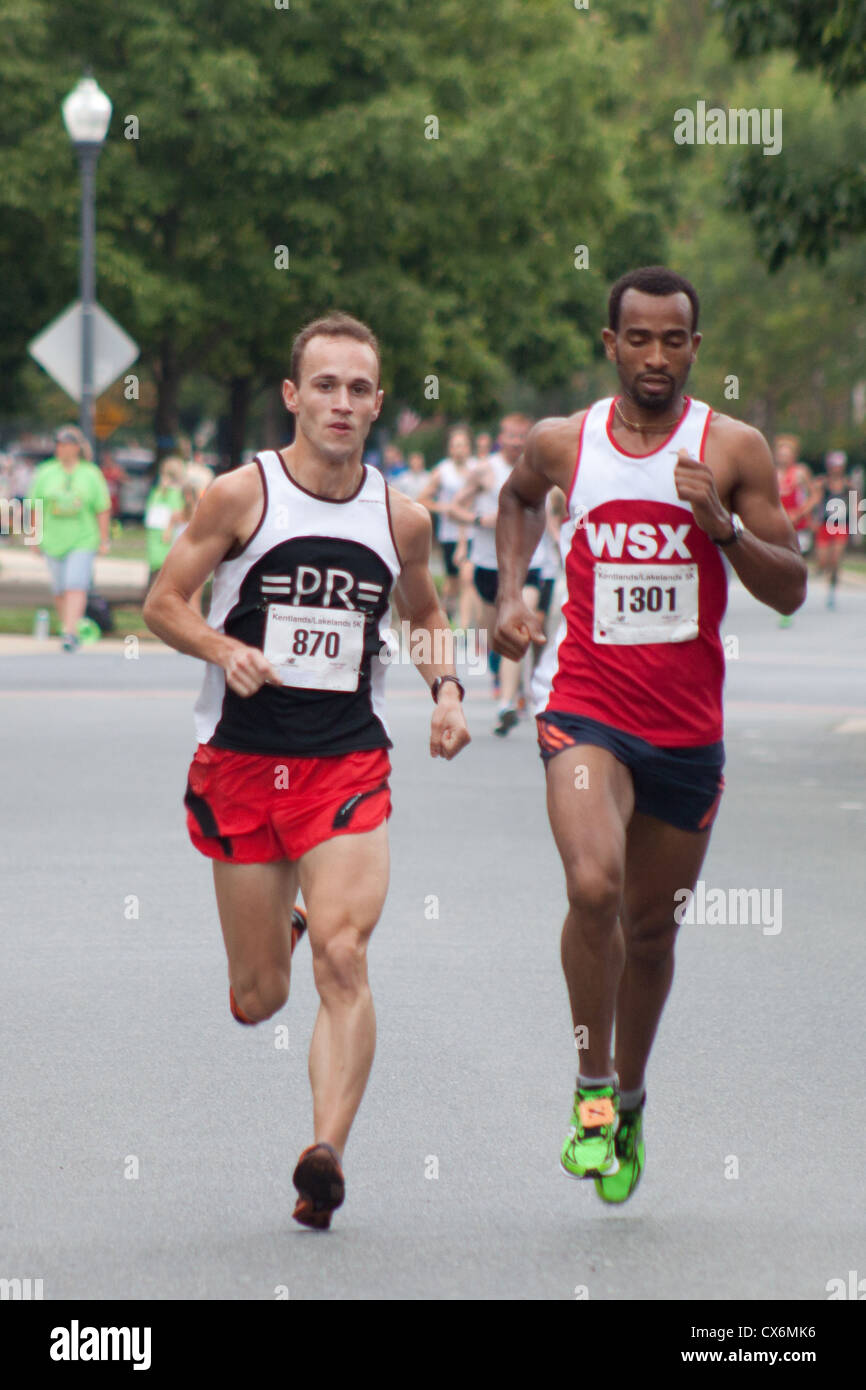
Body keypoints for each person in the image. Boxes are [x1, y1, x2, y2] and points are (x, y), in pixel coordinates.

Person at [143, 312, 470, 1230]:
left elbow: (428, 611)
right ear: (293, 395)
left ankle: (324, 1154)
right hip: (243, 764)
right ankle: (279, 932)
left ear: (377, 403)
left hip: (345, 765)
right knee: (260, 997)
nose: (342, 402)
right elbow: (162, 604)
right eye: (324, 385)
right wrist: (221, 645)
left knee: (347, 954)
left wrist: (446, 689)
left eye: (359, 388)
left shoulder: (399, 516)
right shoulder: (238, 497)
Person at [494, 266, 806, 1204]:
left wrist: (721, 528)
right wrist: (510, 596)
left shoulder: (733, 448)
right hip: (585, 704)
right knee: (594, 886)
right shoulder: (565, 443)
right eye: (640, 338)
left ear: (696, 349)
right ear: (611, 344)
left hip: (685, 730)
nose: (657, 356)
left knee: (651, 933)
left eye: (675, 340)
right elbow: (513, 502)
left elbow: (789, 586)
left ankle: (630, 1097)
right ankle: (591, 1091)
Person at [451, 414, 542, 732]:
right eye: (512, 436)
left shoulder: (540, 468)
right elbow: (453, 508)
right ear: (501, 437)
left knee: (517, 625)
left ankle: (505, 703)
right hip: (489, 565)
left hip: (528, 564)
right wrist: (479, 520)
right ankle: (511, 684)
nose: (518, 442)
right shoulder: (484, 470)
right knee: (496, 639)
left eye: (523, 437)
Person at [28, 425, 111, 651]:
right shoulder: (45, 472)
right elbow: (33, 505)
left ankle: (70, 632)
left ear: (77, 448)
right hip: (53, 539)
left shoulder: (91, 473)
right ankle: (67, 623)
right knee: (60, 587)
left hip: (82, 538)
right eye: (59, 444)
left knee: (75, 584)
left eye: (67, 445)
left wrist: (104, 538)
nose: (62, 449)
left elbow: (102, 507)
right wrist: (32, 537)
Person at [417, 426, 474, 624]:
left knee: (468, 578)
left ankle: (464, 628)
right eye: (455, 446)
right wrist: (444, 508)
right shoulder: (443, 471)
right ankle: (445, 618)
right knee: (452, 583)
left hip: (474, 533)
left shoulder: (477, 468)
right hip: (450, 534)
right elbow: (422, 499)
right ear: (450, 449)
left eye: (463, 445)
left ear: (469, 447)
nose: (459, 449)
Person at [773, 435, 814, 627]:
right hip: (781, 524)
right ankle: (784, 605)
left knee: (796, 562)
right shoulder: (772, 473)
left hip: (799, 524)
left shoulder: (800, 473)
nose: (783, 457)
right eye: (781, 454)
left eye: (787, 454)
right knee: (781, 563)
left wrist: (800, 512)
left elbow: (815, 495)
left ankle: (794, 594)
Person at [812, 450, 856, 609]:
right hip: (824, 525)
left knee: (836, 559)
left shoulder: (848, 485)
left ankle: (832, 589)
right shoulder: (822, 483)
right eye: (833, 466)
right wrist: (813, 521)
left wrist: (855, 526)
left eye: (839, 466)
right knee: (824, 561)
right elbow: (815, 503)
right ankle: (824, 572)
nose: (836, 469)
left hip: (840, 525)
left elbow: (855, 505)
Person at [144, 456, 186, 589]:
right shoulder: (173, 493)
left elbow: (172, 514)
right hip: (163, 535)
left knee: (158, 569)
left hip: (159, 535)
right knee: (162, 570)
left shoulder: (159, 492)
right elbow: (175, 514)